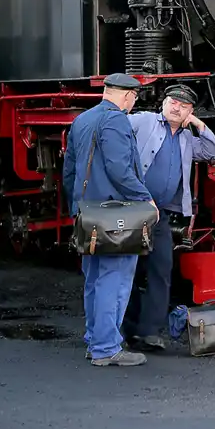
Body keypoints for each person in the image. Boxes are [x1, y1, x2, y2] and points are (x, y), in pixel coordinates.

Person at [62, 73, 158, 367]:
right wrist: (146, 198)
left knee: (93, 279)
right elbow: (119, 168)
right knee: (114, 281)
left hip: (89, 213)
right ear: (128, 96)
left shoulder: (82, 120)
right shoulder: (116, 120)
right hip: (115, 216)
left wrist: (76, 208)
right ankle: (106, 347)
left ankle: (95, 340)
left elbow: (69, 171)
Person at [123, 84, 215, 351]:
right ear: (163, 103)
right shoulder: (143, 121)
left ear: (190, 111)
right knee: (127, 269)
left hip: (160, 215)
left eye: (183, 105)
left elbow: (212, 151)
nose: (176, 107)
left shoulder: (188, 138)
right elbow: (115, 129)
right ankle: (128, 329)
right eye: (172, 102)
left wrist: (197, 123)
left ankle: (150, 331)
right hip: (132, 209)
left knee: (161, 269)